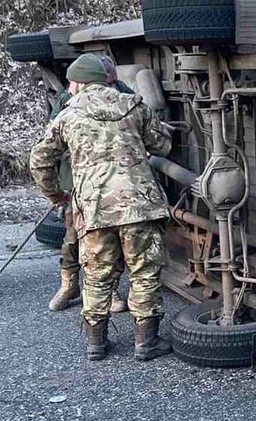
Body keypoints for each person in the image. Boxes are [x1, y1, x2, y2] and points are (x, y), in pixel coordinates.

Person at [30, 54, 173, 361]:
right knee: (144, 272)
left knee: (97, 274)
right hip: (138, 205)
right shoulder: (134, 105)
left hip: (94, 209)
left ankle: (96, 343)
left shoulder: (67, 116)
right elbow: (162, 145)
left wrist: (56, 194)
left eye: (71, 82)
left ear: (79, 82)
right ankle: (146, 343)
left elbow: (39, 159)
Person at [46, 55, 132, 313]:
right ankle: (69, 285)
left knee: (110, 241)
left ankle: (110, 289)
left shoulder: (124, 95)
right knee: (73, 235)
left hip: (116, 181)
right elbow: (51, 143)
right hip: (78, 179)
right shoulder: (67, 101)